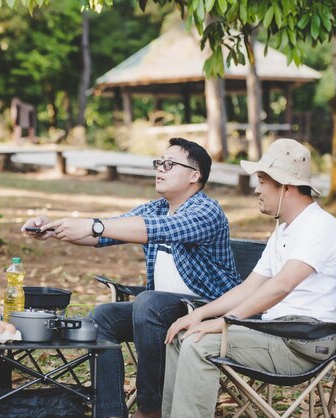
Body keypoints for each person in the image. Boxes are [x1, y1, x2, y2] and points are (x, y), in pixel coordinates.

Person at [21, 137, 241, 418]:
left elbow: (155, 229)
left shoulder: (206, 211)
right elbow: (107, 232)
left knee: (148, 302)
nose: (160, 168)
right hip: (164, 310)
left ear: (194, 176)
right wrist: (53, 229)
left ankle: (151, 410)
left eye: (170, 164)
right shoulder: (157, 207)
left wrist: (96, 226)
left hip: (209, 310)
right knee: (103, 316)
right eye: (159, 162)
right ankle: (111, 412)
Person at [162, 138, 336, 418]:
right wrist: (200, 315)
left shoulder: (319, 226)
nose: (256, 189)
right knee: (183, 334)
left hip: (305, 340)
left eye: (262, 181)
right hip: (278, 333)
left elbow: (282, 285)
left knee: (200, 343)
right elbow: (250, 287)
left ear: (286, 186)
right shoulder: (283, 231)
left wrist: (225, 322)